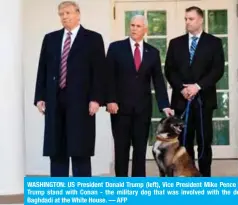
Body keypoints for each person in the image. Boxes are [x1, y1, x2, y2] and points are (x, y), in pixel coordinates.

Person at [33, 1, 105, 177]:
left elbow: (99, 72)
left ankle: (82, 194)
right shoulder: (50, 38)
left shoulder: (93, 38)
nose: (64, 17)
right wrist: (40, 97)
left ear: (78, 14)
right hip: (55, 101)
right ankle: (60, 194)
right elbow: (42, 69)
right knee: (57, 151)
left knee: (80, 150)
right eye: (61, 14)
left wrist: (96, 98)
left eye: (68, 13)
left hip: (81, 102)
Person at [105, 15, 174, 177]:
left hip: (142, 109)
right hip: (119, 108)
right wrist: (110, 100)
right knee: (121, 149)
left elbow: (158, 81)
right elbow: (108, 77)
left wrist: (165, 105)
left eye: (138, 26)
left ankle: (138, 187)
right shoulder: (116, 48)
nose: (134, 28)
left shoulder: (153, 52)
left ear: (145, 29)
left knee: (140, 149)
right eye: (132, 25)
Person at [164, 6, 225, 177]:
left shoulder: (214, 42)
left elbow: (217, 70)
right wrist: (182, 88)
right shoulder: (175, 43)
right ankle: (186, 178)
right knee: (184, 142)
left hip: (204, 100)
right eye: (185, 19)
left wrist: (197, 86)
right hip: (182, 100)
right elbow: (169, 70)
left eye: (191, 19)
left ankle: (205, 180)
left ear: (200, 20)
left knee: (204, 142)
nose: (187, 22)